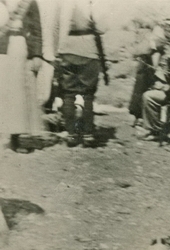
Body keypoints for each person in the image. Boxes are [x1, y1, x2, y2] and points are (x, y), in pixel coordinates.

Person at [57, 0, 106, 147]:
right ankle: (88, 134)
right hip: (88, 50)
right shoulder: (91, 4)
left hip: (67, 49)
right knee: (88, 94)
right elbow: (101, 27)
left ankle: (71, 134)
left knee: (68, 94)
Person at [0, 0, 44, 151]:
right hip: (1, 46)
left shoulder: (28, 2)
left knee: (17, 92)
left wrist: (37, 54)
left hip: (19, 45)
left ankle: (16, 136)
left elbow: (37, 29)